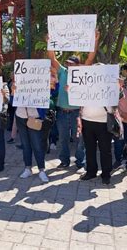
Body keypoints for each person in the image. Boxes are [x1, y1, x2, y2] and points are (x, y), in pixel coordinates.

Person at [48, 30, 100, 169]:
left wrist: (95, 40)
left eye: (72, 64)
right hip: (62, 112)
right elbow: (53, 59)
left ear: (78, 65)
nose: (70, 65)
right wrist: (49, 42)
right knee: (63, 138)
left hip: (77, 112)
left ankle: (79, 161)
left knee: (79, 139)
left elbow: (90, 58)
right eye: (68, 63)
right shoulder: (63, 71)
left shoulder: (82, 73)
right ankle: (64, 160)